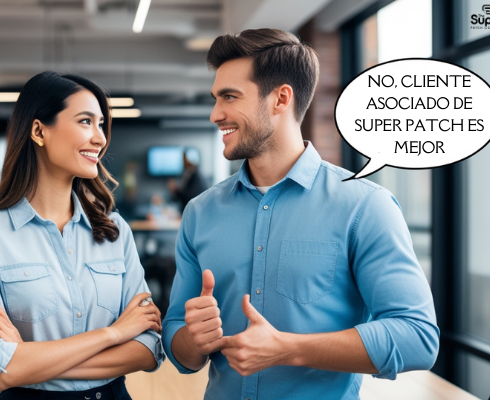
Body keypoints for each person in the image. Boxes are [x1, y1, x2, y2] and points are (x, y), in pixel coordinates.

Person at [162, 29, 439, 400]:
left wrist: (288, 348)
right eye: (216, 98)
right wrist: (193, 341)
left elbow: (417, 337)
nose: (215, 114)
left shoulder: (364, 206)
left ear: (281, 98)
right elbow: (178, 341)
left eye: (229, 97)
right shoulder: (200, 212)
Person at [0, 72, 164, 400]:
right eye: (85, 121)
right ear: (39, 131)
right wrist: (116, 333)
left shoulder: (115, 231)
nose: (100, 138)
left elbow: (149, 349)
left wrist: (29, 357)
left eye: (101, 124)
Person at [168, 148, 207, 214]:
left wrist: (176, 190)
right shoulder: (190, 173)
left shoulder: (195, 175)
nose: (183, 161)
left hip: (194, 212)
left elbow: (190, 197)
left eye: (184, 158)